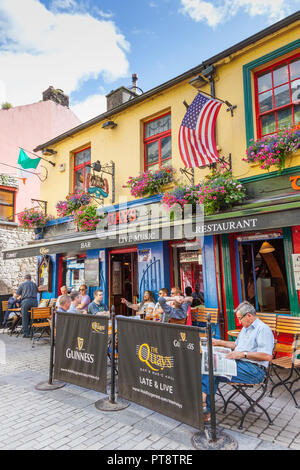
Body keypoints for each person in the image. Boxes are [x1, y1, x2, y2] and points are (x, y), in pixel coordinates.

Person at [201, 300, 274, 423]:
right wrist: (219, 342)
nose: (239, 322)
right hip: (242, 364)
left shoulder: (263, 329)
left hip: (254, 371)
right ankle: (205, 410)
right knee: (209, 365)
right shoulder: (246, 328)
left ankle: (203, 405)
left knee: (212, 368)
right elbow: (236, 345)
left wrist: (242, 354)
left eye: (240, 318)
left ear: (249, 316)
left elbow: (267, 356)